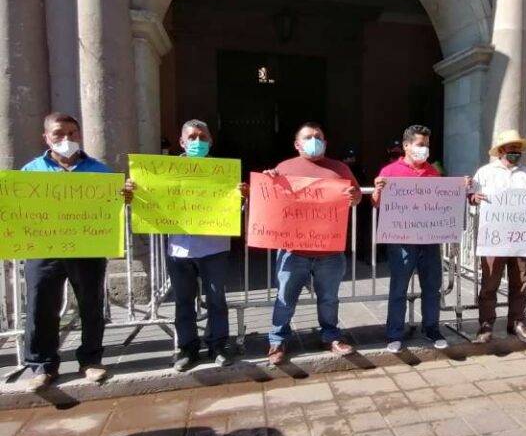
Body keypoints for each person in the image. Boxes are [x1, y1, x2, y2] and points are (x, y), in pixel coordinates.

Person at [126, 119, 247, 372]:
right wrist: (133, 193)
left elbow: (237, 207)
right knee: (183, 301)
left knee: (216, 299)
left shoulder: (223, 174)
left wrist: (242, 195)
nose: (197, 142)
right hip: (179, 249)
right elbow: (148, 200)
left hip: (214, 248)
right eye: (192, 138)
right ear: (182, 142)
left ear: (211, 141)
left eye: (202, 138)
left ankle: (217, 346)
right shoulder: (163, 172)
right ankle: (187, 348)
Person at [21, 112, 130, 391]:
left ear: (79, 135)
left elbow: (115, 205)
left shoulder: (100, 171)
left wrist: (126, 196)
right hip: (44, 250)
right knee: (40, 307)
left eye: (72, 133)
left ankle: (91, 360)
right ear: (46, 137)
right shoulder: (30, 171)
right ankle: (42, 366)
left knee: (91, 305)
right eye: (59, 133)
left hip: (88, 248)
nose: (66, 138)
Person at [265, 122, 361, 365]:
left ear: (325, 143)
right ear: (297, 144)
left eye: (318, 136)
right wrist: (268, 181)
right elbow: (270, 199)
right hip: (293, 250)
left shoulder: (339, 168)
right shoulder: (284, 168)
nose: (314, 140)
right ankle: (277, 340)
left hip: (330, 250)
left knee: (329, 298)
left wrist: (354, 196)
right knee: (285, 298)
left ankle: (331, 336)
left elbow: (358, 195)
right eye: (308, 137)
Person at [372, 124, 448, 353]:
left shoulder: (433, 172)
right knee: (399, 288)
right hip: (401, 241)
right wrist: (377, 190)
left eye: (427, 145)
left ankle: (432, 329)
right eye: (420, 144)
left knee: (432, 287)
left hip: (429, 240)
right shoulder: (389, 172)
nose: (425, 149)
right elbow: (376, 203)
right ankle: (394, 334)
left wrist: (459, 189)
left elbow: (443, 202)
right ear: (406, 146)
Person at [468, 130, 526, 344]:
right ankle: (486, 324)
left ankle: (517, 322)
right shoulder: (484, 173)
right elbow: (471, 197)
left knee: (521, 282)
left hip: (521, 238)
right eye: (512, 148)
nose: (516, 152)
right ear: (501, 151)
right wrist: (473, 198)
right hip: (494, 237)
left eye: (518, 149)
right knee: (490, 283)